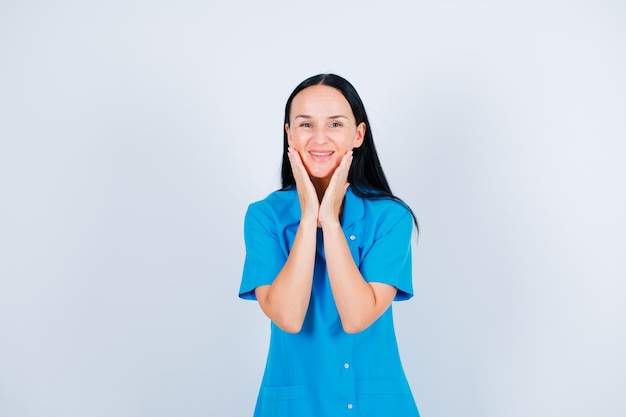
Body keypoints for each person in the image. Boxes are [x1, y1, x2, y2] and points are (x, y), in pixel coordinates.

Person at [239, 73, 420, 417]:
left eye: (335, 124)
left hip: (376, 406)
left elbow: (357, 317)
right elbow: (288, 317)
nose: (319, 138)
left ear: (358, 134)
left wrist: (331, 223)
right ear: (289, 134)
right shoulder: (265, 217)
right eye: (305, 124)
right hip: (294, 406)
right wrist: (309, 220)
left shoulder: (390, 218)